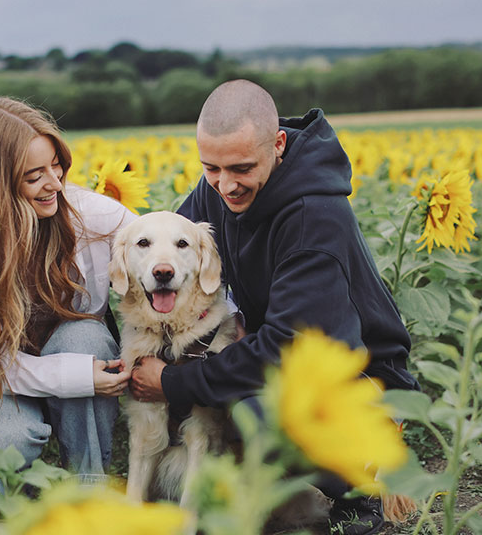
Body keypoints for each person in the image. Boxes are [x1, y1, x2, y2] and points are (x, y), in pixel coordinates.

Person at [130, 80, 418, 535]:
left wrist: (173, 381)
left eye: (241, 168)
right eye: (211, 168)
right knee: (237, 402)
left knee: (257, 411)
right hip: (278, 352)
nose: (225, 185)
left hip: (359, 377)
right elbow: (179, 254)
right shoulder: (220, 189)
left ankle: (363, 486)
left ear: (278, 144)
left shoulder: (314, 218)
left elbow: (284, 349)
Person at [0, 97, 134, 483]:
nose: (54, 184)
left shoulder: (95, 216)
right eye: (34, 176)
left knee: (86, 334)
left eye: (56, 165)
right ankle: (7, 496)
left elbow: (167, 249)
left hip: (67, 350)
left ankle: (90, 489)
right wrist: (80, 377)